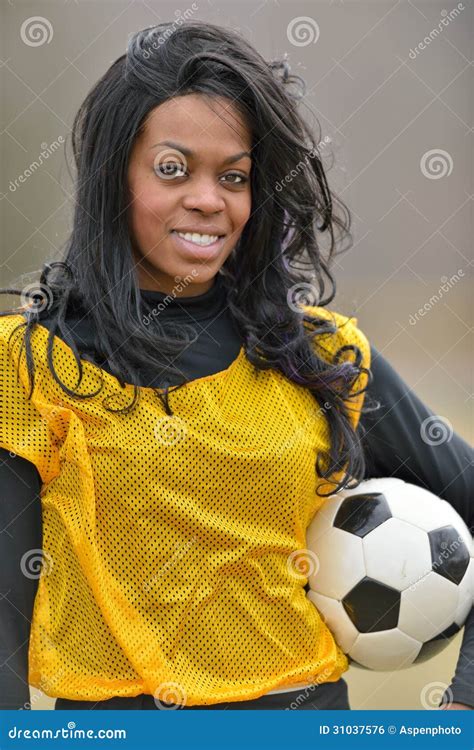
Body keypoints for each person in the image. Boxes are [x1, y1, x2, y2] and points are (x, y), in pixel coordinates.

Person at [0, 20, 472, 711]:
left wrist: (465, 701)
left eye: (235, 176)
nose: (208, 199)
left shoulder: (322, 358)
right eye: (172, 168)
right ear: (113, 178)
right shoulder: (30, 367)